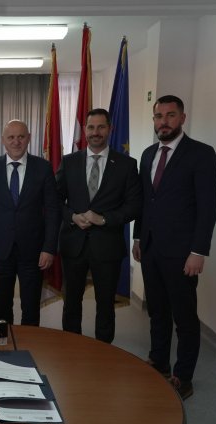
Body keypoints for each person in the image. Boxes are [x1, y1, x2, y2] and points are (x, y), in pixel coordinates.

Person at [132, 95, 216, 400]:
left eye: (170, 115)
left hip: (183, 253)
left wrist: (199, 251)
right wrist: (138, 238)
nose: (164, 122)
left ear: (182, 118)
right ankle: (158, 361)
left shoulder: (201, 154)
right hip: (151, 248)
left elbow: (208, 207)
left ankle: (183, 377)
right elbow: (145, 202)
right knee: (157, 311)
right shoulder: (148, 154)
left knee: (184, 317)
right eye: (159, 116)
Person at [56, 108, 141, 343]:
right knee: (71, 301)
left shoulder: (126, 164)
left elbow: (134, 206)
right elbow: (54, 200)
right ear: (85, 130)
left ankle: (103, 349)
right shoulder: (69, 162)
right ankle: (71, 345)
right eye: (91, 127)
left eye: (101, 127)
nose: (96, 132)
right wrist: (72, 216)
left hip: (108, 245)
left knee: (105, 304)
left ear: (110, 129)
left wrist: (103, 219)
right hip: (73, 243)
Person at [0, 119, 61, 326]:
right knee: (2, 308)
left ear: (29, 138)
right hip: (0, 250)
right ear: (3, 140)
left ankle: (29, 344)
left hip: (33, 251)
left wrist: (49, 248)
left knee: (31, 308)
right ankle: (2, 343)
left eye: (21, 137)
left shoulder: (43, 168)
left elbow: (53, 211)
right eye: (11, 137)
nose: (16, 142)